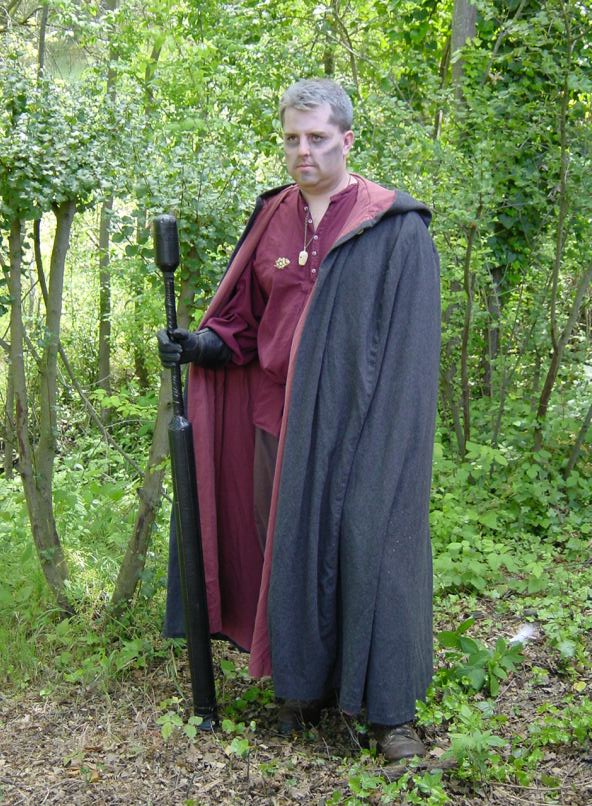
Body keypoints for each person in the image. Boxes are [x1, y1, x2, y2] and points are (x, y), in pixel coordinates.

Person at [158, 78, 440, 762]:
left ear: (348, 140)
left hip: (361, 427)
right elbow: (245, 325)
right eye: (291, 138)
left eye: (317, 138)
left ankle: (390, 715)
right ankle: (301, 692)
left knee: (375, 553)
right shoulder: (273, 219)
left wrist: (391, 437)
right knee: (286, 552)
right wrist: (200, 346)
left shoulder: (393, 227)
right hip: (275, 420)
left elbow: (411, 351)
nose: (302, 151)